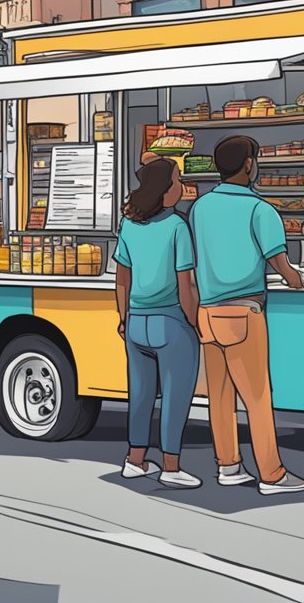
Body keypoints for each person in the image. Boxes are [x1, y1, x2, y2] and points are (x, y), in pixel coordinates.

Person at [190, 135, 304, 495]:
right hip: (243, 313)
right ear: (248, 165)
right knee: (256, 398)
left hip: (207, 314)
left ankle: (228, 466)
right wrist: (295, 279)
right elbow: (280, 264)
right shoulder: (261, 210)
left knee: (220, 398)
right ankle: (271, 474)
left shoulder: (200, 208)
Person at [113, 158, 202, 488]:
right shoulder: (177, 226)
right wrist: (195, 323)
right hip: (171, 323)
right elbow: (186, 285)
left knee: (140, 394)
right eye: (177, 180)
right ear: (165, 191)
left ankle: (135, 460)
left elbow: (122, 279)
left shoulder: (130, 225)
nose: (181, 186)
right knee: (175, 397)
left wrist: (123, 318)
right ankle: (171, 466)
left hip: (136, 322)